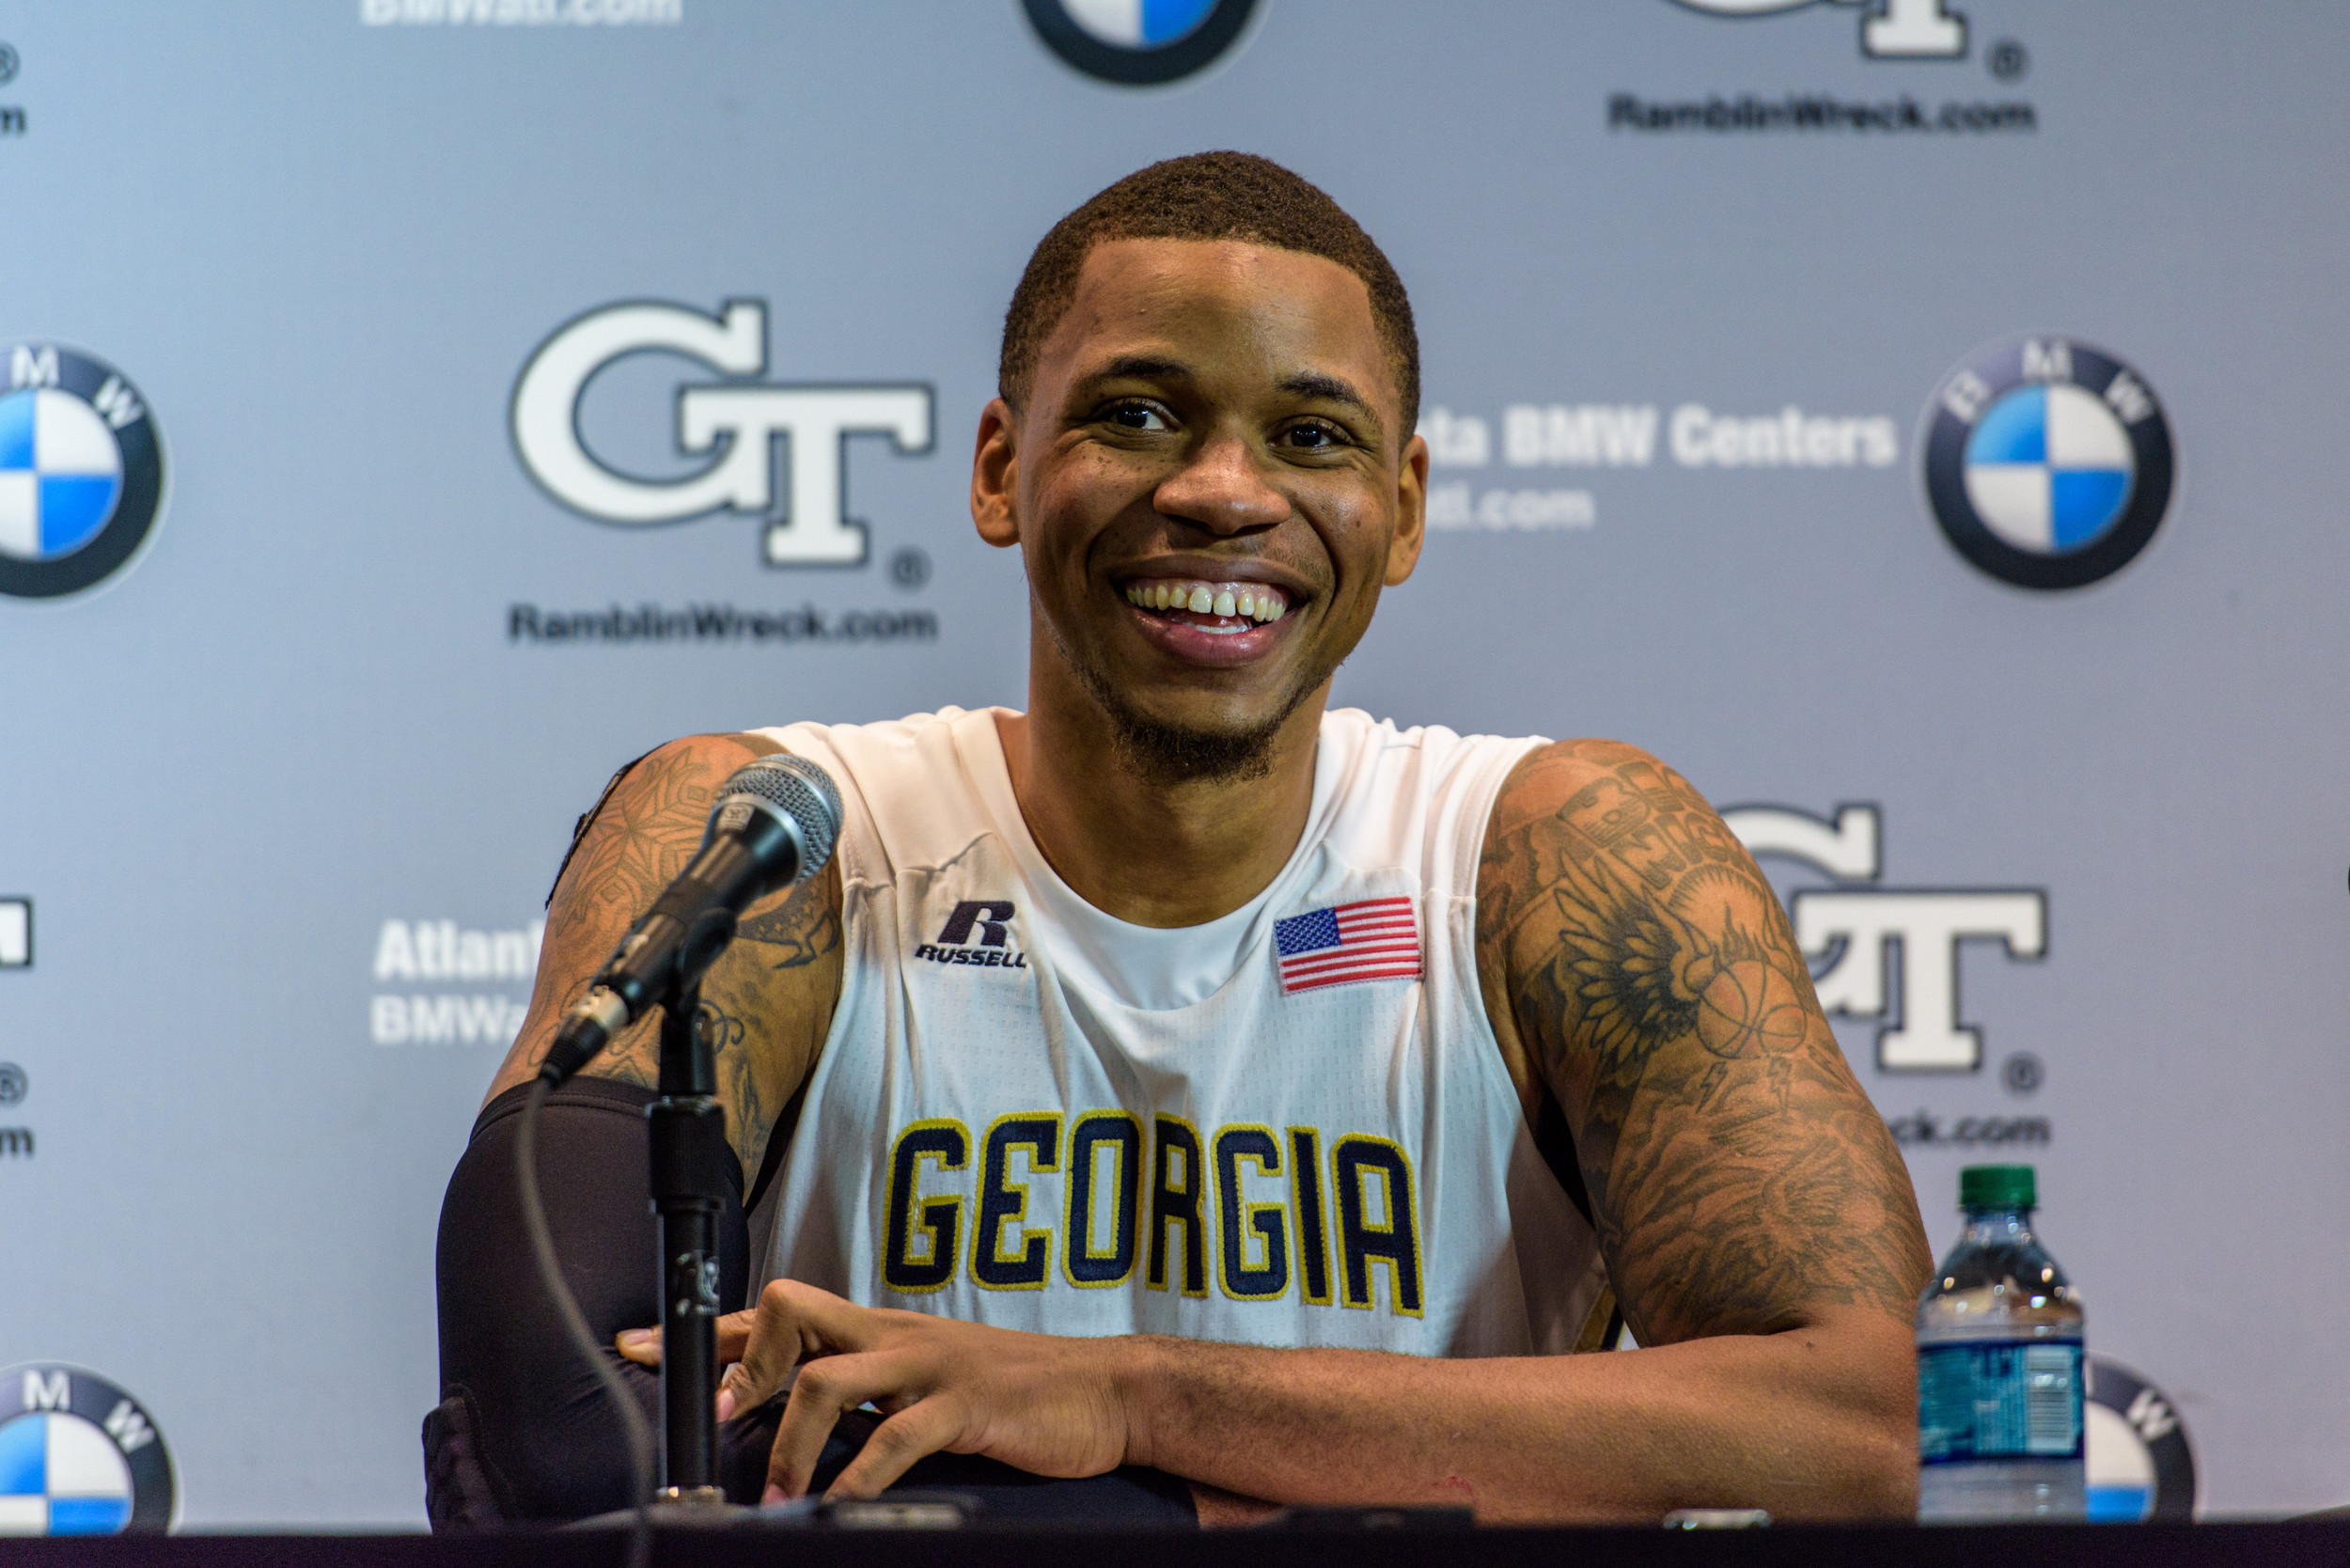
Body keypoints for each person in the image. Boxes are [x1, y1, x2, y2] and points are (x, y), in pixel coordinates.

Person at [433, 150, 1930, 1528]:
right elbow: (564, 1435)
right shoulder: (777, 838)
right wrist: (1260, 1513)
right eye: (1137, 412)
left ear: (1400, 510)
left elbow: (1863, 1434)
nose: (1223, 491)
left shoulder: (1554, 858)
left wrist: (1124, 1395)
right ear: (1000, 471)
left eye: (1310, 433)